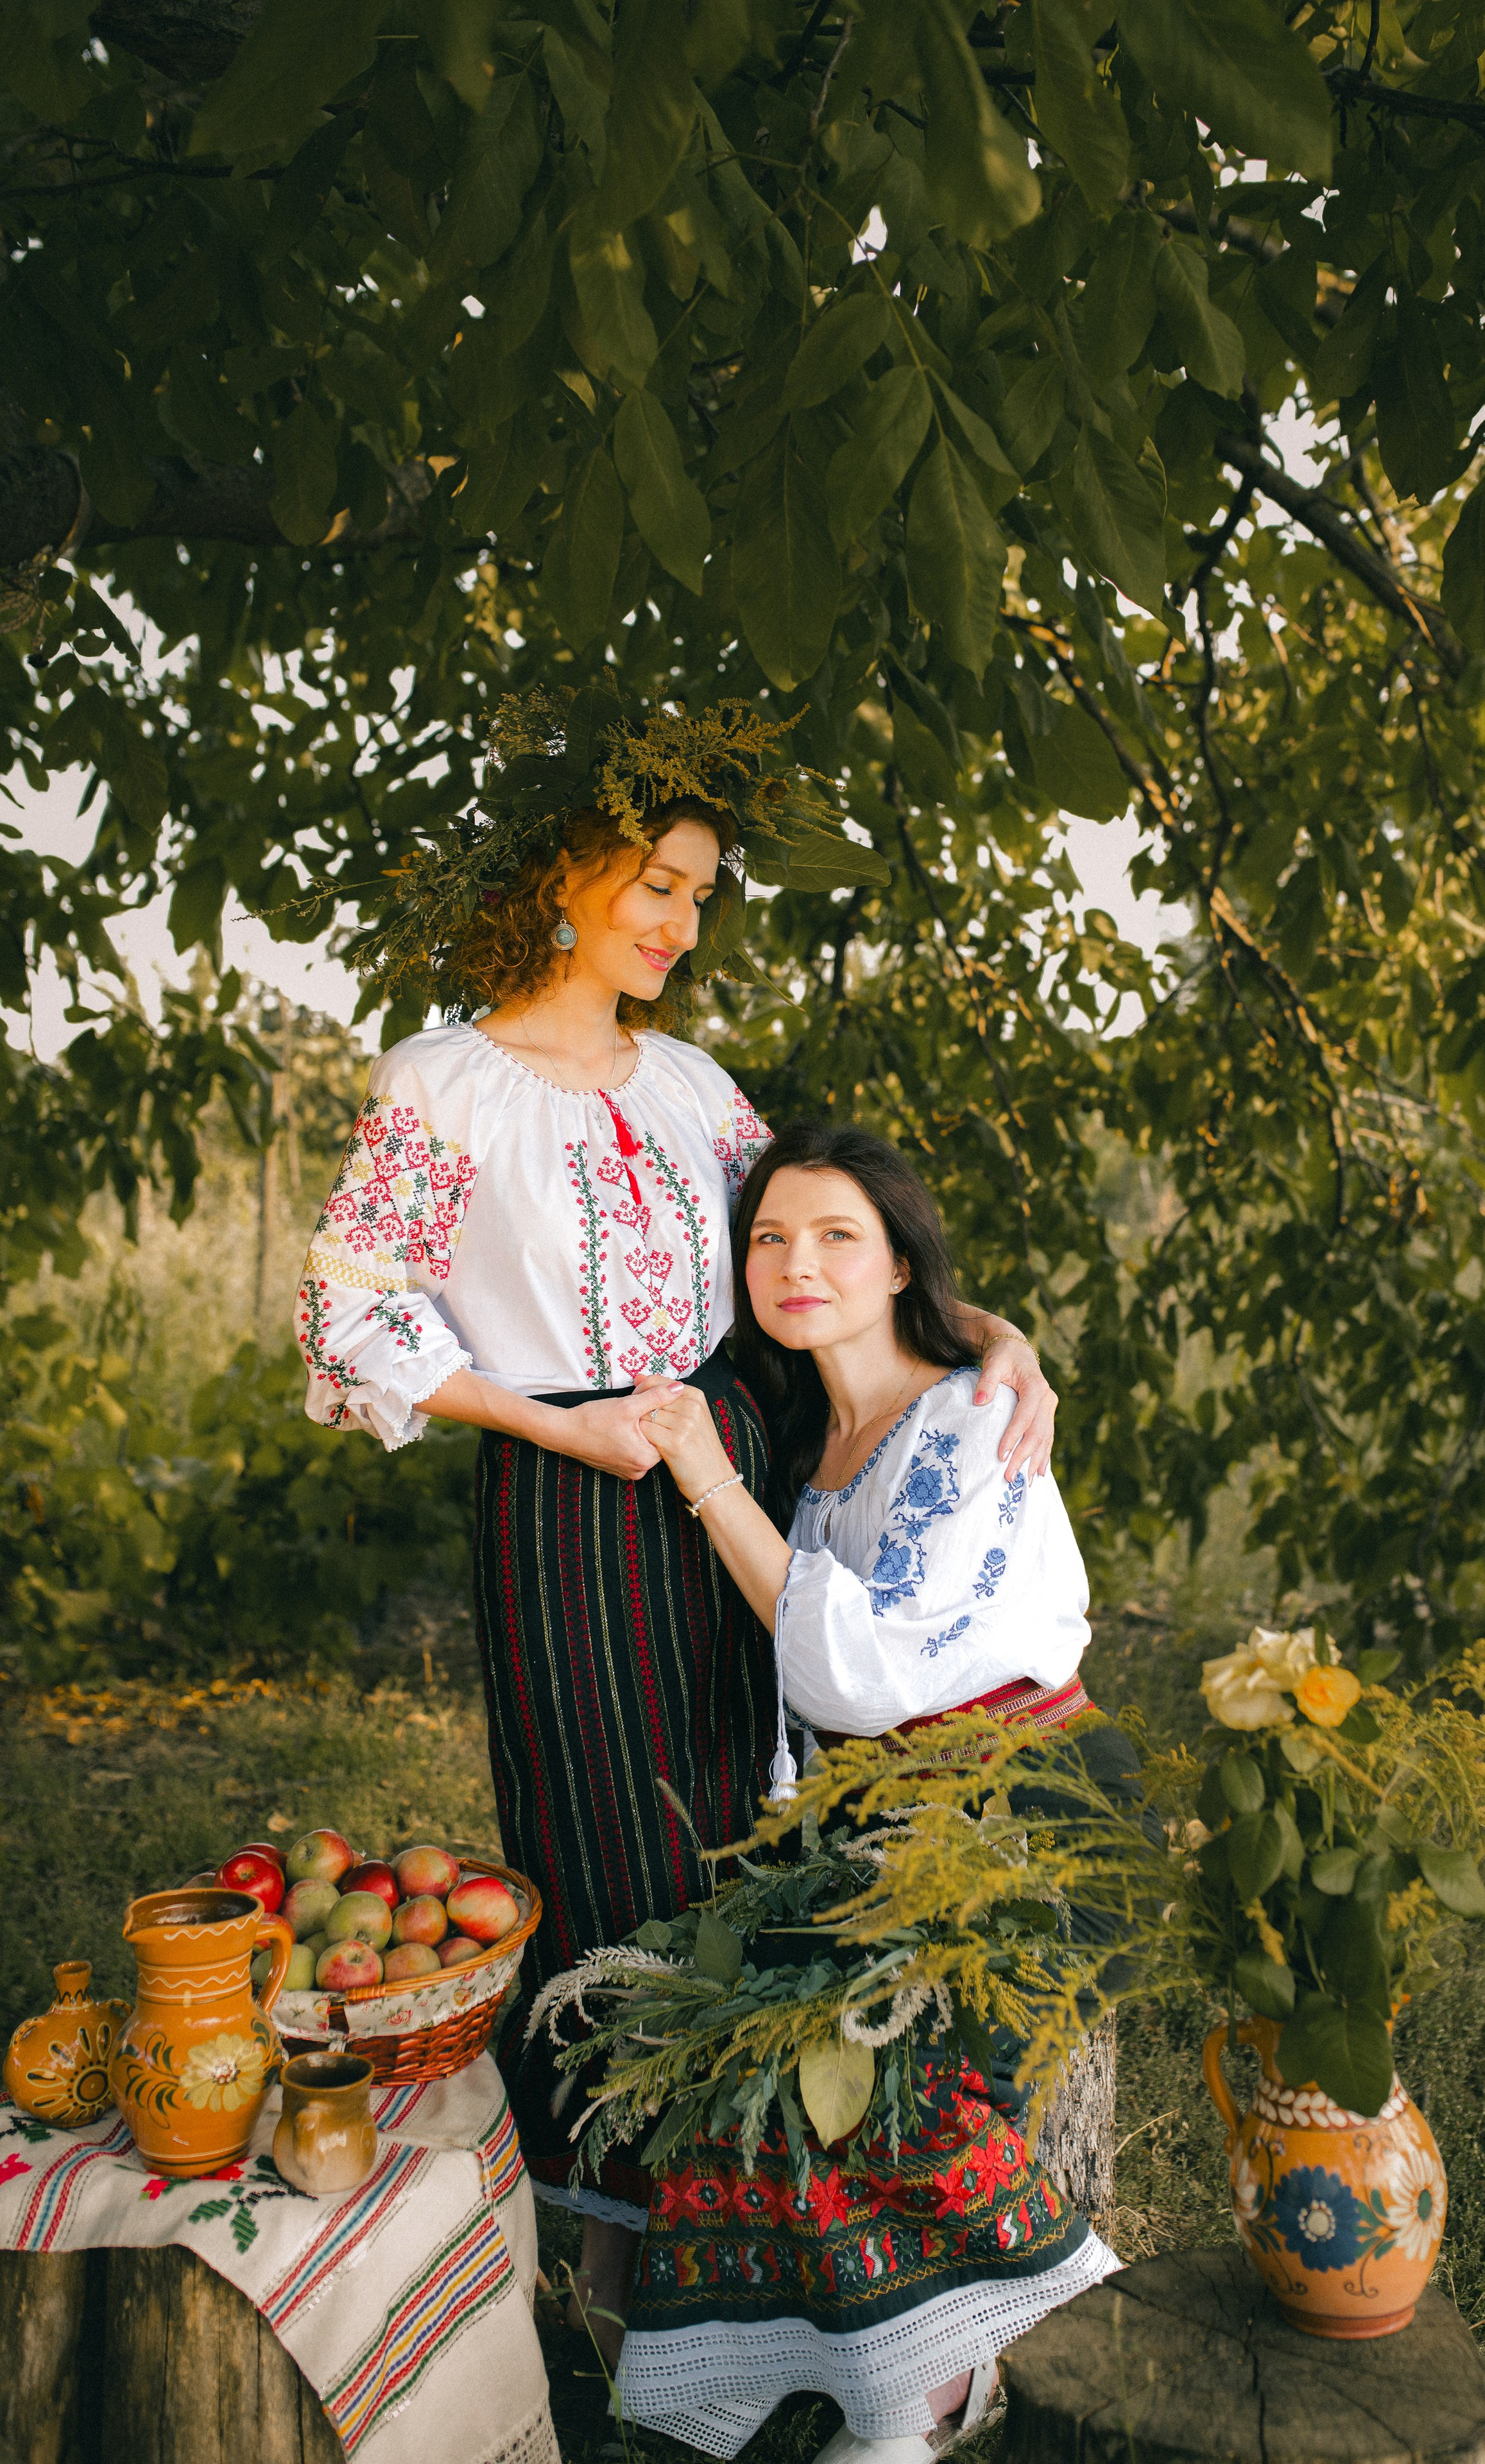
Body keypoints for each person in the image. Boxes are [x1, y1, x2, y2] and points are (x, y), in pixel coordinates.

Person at [293, 696, 1059, 2358]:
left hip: (733, 1456)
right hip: (565, 1496)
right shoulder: (440, 1081)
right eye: (655, 879)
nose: (679, 919)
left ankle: (784, 2213)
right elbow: (355, 1325)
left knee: (756, 1815)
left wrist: (987, 1332)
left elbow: (816, 1248)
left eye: (701, 891)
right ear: (561, 872)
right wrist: (557, 1421)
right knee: (606, 1836)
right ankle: (630, 2258)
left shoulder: (696, 1083)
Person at [617, 1120, 1120, 2463]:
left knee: (879, 2077)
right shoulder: (813, 1426)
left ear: (900, 1263)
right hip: (882, 1812)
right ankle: (850, 2356)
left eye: (838, 1235)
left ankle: (935, 2386)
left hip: (1015, 1808)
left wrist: (708, 1482)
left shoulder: (963, 1420)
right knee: (743, 2058)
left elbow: (858, 1668)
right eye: (769, 1237)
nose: (795, 1263)